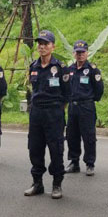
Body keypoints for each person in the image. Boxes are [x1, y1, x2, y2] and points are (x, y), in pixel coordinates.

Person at [24, 30, 70, 199]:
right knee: (34, 148)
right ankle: (37, 183)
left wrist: (58, 109)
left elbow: (67, 93)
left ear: (53, 46)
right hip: (36, 113)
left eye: (45, 43)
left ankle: (57, 183)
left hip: (54, 113)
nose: (42, 46)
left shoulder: (60, 68)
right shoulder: (33, 67)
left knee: (55, 149)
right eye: (40, 43)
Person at [64, 40, 104, 176]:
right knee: (71, 135)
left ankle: (90, 163)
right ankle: (74, 162)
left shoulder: (92, 70)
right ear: (74, 53)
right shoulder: (69, 69)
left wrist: (90, 99)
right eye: (77, 52)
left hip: (86, 107)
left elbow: (99, 90)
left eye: (82, 52)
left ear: (87, 53)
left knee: (88, 136)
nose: (80, 55)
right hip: (72, 107)